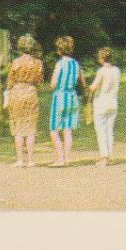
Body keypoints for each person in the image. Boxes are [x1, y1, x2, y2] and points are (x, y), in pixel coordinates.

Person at [3, 34, 44, 168]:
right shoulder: (38, 63)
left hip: (17, 93)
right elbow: (39, 82)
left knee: (18, 128)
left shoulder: (15, 62)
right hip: (31, 93)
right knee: (31, 128)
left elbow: (10, 81)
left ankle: (20, 160)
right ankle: (31, 160)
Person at [47, 35, 85, 167]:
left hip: (60, 96)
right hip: (72, 97)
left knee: (54, 129)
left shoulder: (60, 64)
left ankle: (60, 158)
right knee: (67, 130)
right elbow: (82, 81)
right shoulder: (76, 64)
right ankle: (68, 158)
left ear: (59, 50)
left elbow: (53, 83)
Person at [88, 46, 121, 166]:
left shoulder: (101, 71)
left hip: (101, 102)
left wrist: (88, 88)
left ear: (102, 58)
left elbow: (94, 86)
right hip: (113, 102)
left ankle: (104, 156)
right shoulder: (117, 70)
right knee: (109, 130)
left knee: (101, 130)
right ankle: (109, 154)